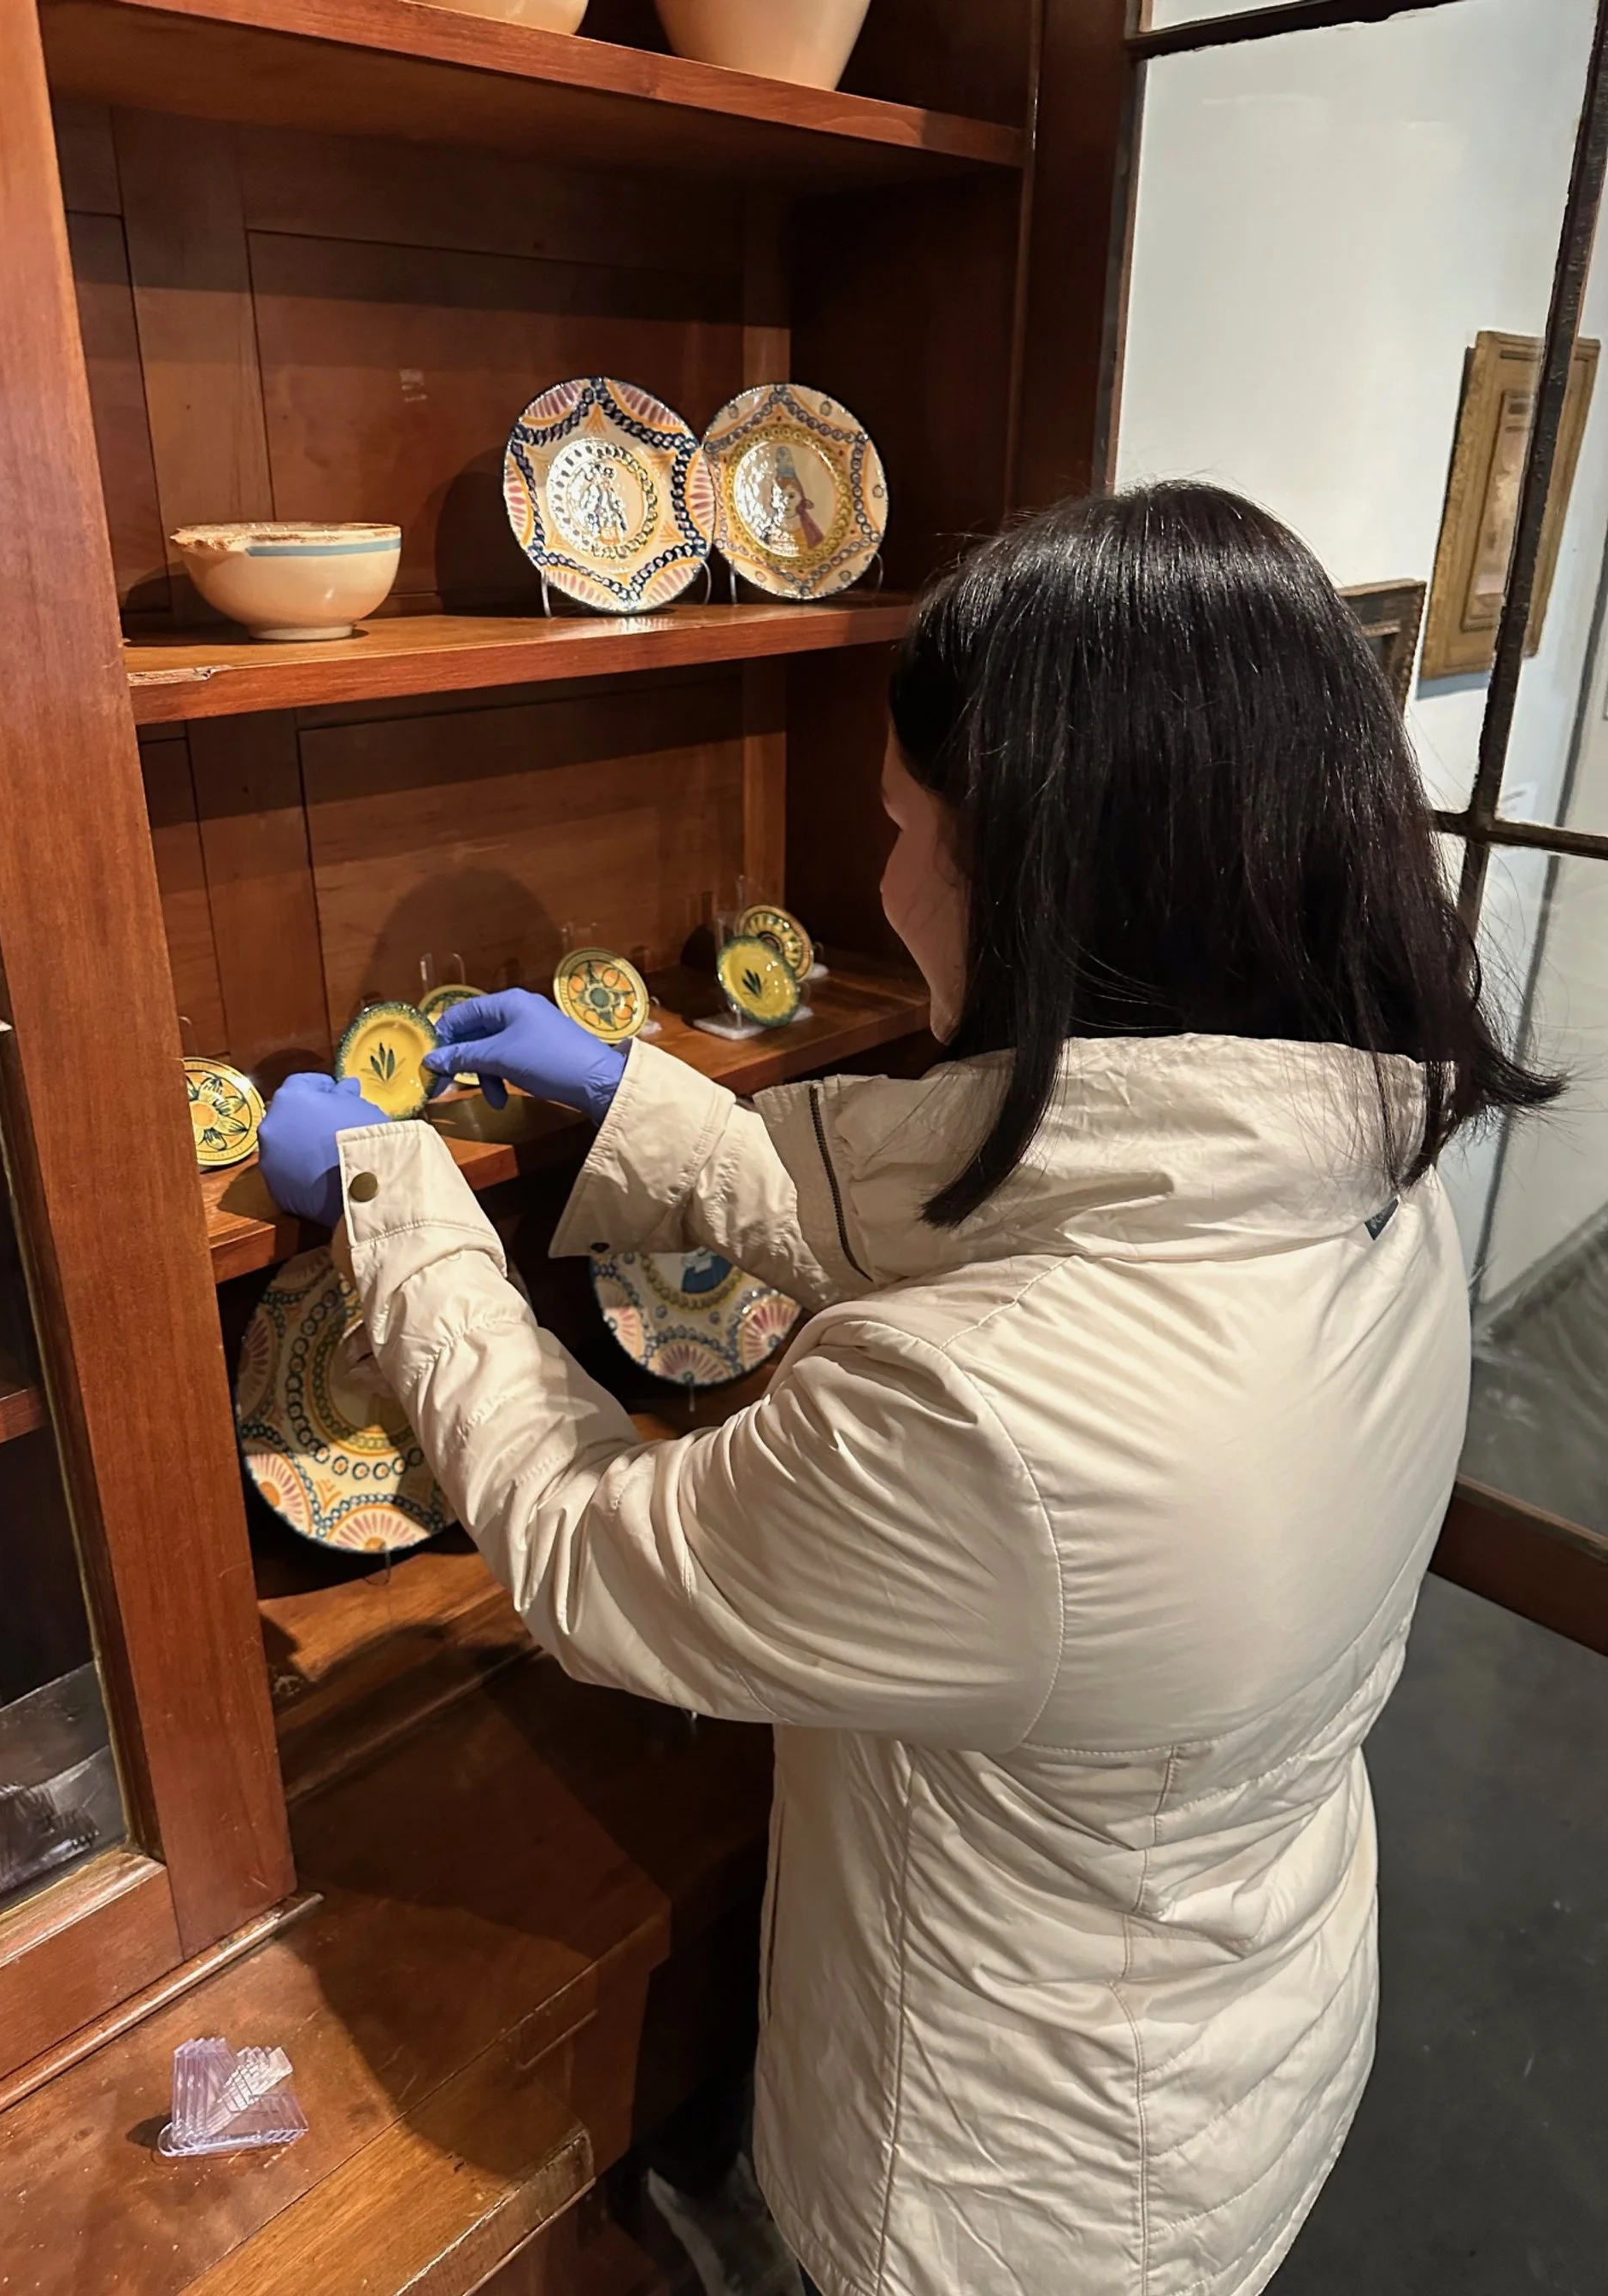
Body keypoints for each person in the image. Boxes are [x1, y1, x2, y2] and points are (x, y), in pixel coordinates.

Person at [256, 483, 1556, 2296]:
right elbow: (1014, 1187)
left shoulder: (983, 1420)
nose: (880, 879)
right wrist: (640, 1105)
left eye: (897, 825)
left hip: (1000, 2191)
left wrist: (393, 1205)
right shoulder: (1369, 1162)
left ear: (1028, 880)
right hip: (1239, 2025)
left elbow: (583, 1549)